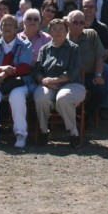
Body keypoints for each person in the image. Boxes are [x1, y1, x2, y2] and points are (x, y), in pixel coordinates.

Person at [0, 14, 33, 148]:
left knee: (17, 97)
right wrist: (2, 69)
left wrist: (5, 72)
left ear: (16, 28)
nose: (7, 27)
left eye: (10, 25)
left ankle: (21, 135)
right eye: (4, 24)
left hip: (18, 82)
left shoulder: (25, 45)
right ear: (0, 27)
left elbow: (25, 67)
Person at [33, 18, 86, 147]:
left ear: (66, 31)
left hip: (72, 84)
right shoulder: (44, 49)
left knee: (63, 97)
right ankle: (44, 131)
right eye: (54, 29)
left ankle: (74, 133)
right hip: (48, 84)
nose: (58, 32)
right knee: (40, 97)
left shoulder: (74, 48)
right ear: (49, 32)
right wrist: (44, 81)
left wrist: (56, 80)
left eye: (61, 29)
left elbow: (74, 71)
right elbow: (37, 71)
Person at [68, 5, 108, 118]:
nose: (78, 25)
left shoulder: (92, 34)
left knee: (101, 91)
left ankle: (87, 114)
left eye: (81, 23)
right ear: (68, 23)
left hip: (89, 75)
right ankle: (75, 116)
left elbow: (99, 56)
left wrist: (98, 75)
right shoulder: (63, 38)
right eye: (75, 22)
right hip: (70, 78)